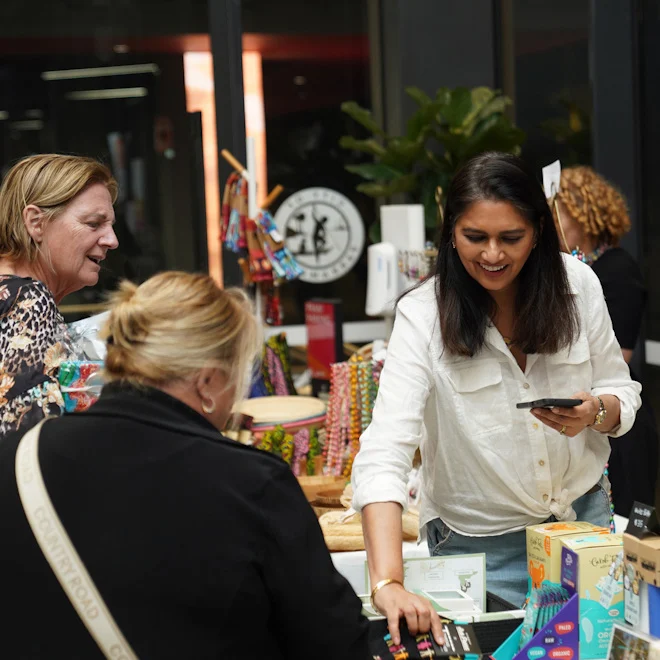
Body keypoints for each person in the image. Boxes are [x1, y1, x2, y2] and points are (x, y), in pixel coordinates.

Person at [0, 271, 370, 659]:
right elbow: (335, 642)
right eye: (240, 375)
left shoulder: (16, 459)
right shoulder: (252, 485)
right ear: (208, 381)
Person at [351, 152, 641, 640]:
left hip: (582, 530)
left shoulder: (578, 287)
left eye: (511, 238)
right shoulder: (423, 316)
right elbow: (385, 450)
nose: (492, 255)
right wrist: (388, 581)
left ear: (539, 233)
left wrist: (595, 412)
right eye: (474, 237)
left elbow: (620, 389)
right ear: (450, 235)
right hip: (478, 551)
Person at [553, 165, 659, 516]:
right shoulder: (564, 269)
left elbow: (620, 354)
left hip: (618, 421)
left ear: (583, 211)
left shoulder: (617, 270)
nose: (552, 220)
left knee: (624, 526)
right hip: (580, 420)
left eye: (559, 209)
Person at [0, 153, 119, 440]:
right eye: (94, 223)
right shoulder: (27, 298)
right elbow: (29, 438)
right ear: (36, 222)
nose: (111, 240)